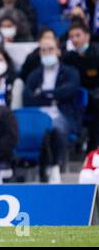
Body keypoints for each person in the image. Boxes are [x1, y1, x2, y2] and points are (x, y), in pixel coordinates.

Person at [24, 37, 81, 181]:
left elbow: (69, 90)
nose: (47, 53)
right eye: (43, 50)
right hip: (38, 114)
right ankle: (36, 168)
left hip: (61, 114)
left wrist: (43, 94)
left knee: (55, 128)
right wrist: (53, 95)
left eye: (50, 49)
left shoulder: (70, 72)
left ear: (58, 51)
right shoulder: (34, 75)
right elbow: (28, 97)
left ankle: (55, 167)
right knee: (32, 129)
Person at [63, 22, 99, 152]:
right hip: (75, 95)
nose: (75, 39)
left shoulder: (96, 53)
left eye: (78, 35)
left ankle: (93, 146)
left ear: (87, 36)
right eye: (71, 37)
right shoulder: (69, 57)